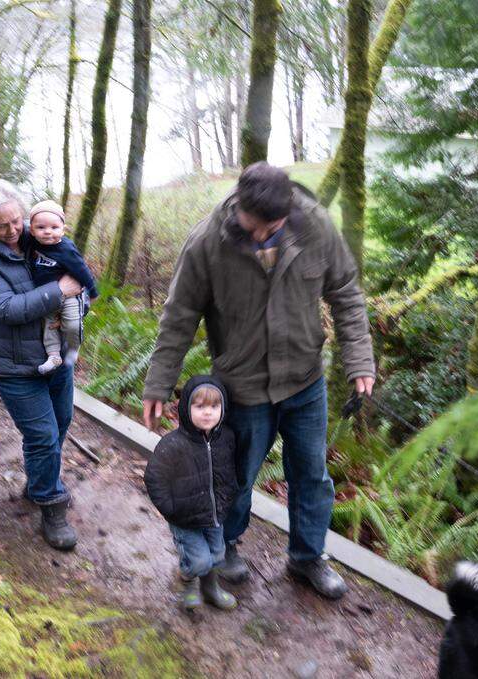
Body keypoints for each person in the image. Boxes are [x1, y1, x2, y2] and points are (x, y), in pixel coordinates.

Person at [141, 162, 376, 599]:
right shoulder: (207, 243)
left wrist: (360, 360)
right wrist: (158, 384)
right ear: (239, 207)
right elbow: (178, 319)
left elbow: (345, 291)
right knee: (236, 476)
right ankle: (225, 546)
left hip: (305, 380)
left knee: (312, 475)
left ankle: (308, 557)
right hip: (244, 387)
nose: (265, 233)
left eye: (276, 225)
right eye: (256, 225)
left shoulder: (315, 226)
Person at [0, 179, 85, 551]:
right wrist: (59, 291)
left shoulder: (37, 235)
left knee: (59, 424)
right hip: (11, 364)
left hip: (55, 355)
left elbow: (76, 280)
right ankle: (50, 503)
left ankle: (37, 484)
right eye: (3, 226)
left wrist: (78, 305)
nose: (14, 231)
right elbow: (6, 309)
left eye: (17, 221)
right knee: (43, 434)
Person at [143, 375, 239, 611]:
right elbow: (154, 477)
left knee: (217, 555)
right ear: (186, 408)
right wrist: (171, 508)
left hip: (214, 515)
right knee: (198, 561)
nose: (208, 413)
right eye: (200, 406)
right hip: (185, 518)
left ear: (223, 408)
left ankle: (210, 588)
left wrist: (229, 496)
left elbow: (229, 471)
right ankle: (187, 582)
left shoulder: (226, 439)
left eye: (214, 406)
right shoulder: (173, 444)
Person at [23, 199, 99, 374]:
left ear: (63, 229)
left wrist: (92, 292)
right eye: (41, 228)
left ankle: (73, 348)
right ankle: (54, 356)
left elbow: (82, 270)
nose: (48, 232)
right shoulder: (32, 243)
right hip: (46, 295)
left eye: (54, 228)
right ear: (32, 230)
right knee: (48, 325)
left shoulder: (66, 249)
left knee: (72, 324)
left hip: (71, 295)